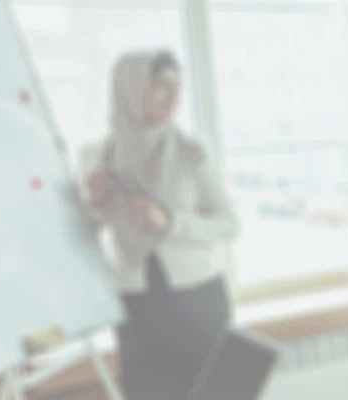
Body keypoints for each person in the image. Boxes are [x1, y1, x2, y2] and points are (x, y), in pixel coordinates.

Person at [80, 49, 239, 400]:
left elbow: (229, 225)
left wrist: (170, 223)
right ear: (131, 89)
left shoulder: (193, 150)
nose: (174, 97)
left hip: (199, 300)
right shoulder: (98, 156)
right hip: (138, 306)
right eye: (162, 86)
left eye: (178, 87)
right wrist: (95, 201)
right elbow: (84, 235)